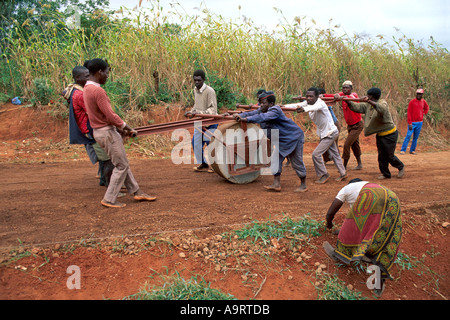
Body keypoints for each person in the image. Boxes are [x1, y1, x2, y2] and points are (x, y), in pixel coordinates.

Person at [83, 58, 156, 208]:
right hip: (107, 133)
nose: (108, 76)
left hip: (100, 132)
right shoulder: (97, 91)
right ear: (99, 72)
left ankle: (137, 191)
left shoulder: (87, 88)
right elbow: (110, 115)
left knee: (122, 162)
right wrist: (127, 127)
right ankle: (109, 198)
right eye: (107, 72)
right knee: (121, 165)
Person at [322, 178, 402, 297]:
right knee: (385, 236)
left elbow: (331, 212)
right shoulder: (366, 185)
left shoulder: (347, 189)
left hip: (373, 195)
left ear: (351, 184)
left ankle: (338, 254)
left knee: (350, 224)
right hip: (392, 197)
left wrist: (329, 223)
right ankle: (379, 283)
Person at [230, 91, 307, 192]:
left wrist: (246, 119)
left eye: (263, 103)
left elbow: (262, 117)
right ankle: (276, 184)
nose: (261, 105)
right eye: (260, 103)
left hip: (293, 137)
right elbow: (251, 113)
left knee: (297, 162)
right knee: (275, 160)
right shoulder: (262, 110)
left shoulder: (275, 110)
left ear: (271, 104)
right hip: (280, 139)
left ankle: (303, 185)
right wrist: (240, 115)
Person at [62, 66, 114, 187]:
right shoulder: (80, 94)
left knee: (103, 157)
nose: (89, 78)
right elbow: (94, 111)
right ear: (77, 78)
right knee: (107, 159)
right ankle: (109, 185)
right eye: (86, 76)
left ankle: (104, 179)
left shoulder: (74, 90)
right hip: (91, 129)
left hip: (87, 128)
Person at [344, 88, 405, 180]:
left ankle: (400, 166)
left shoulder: (382, 103)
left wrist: (369, 101)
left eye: (369, 96)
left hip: (390, 135)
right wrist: (348, 102)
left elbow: (382, 109)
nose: (367, 96)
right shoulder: (368, 105)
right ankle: (385, 174)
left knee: (389, 155)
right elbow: (358, 107)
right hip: (380, 135)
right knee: (381, 156)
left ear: (372, 97)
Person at [290, 87, 347, 184]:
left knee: (316, 155)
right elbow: (296, 105)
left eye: (311, 96)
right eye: (307, 96)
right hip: (327, 133)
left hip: (330, 133)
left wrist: (304, 109)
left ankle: (324, 174)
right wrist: (281, 106)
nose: (308, 98)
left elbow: (312, 108)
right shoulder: (308, 103)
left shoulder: (320, 103)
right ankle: (343, 173)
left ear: (317, 97)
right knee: (335, 154)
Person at [184, 69, 218, 173]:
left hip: (210, 121)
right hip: (200, 121)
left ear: (203, 80)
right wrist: (191, 112)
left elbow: (213, 109)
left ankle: (214, 166)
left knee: (210, 144)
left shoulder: (210, 91)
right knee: (196, 143)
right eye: (195, 80)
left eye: (199, 80)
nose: (197, 82)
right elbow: (196, 104)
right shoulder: (195, 90)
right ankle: (203, 163)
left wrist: (199, 112)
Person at [326, 81, 364, 170]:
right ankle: (359, 164)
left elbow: (350, 98)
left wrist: (340, 97)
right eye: (344, 88)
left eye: (347, 88)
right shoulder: (342, 95)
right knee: (355, 144)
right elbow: (332, 96)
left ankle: (344, 166)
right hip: (350, 125)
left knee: (347, 144)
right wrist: (322, 95)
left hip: (357, 125)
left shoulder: (353, 95)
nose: (345, 89)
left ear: (351, 88)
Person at [400, 88, 429, 155]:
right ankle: (403, 150)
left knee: (415, 137)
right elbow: (409, 112)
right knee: (408, 135)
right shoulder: (412, 102)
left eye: (420, 94)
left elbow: (427, 108)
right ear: (416, 94)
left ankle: (412, 150)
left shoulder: (423, 101)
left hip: (420, 122)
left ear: (422, 95)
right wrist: (409, 123)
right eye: (417, 94)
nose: (418, 95)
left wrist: (424, 113)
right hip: (412, 122)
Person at [318, 88, 341, 165]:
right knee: (323, 142)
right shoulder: (318, 102)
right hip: (326, 126)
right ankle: (327, 159)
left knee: (334, 143)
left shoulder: (326, 101)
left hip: (333, 124)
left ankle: (336, 160)